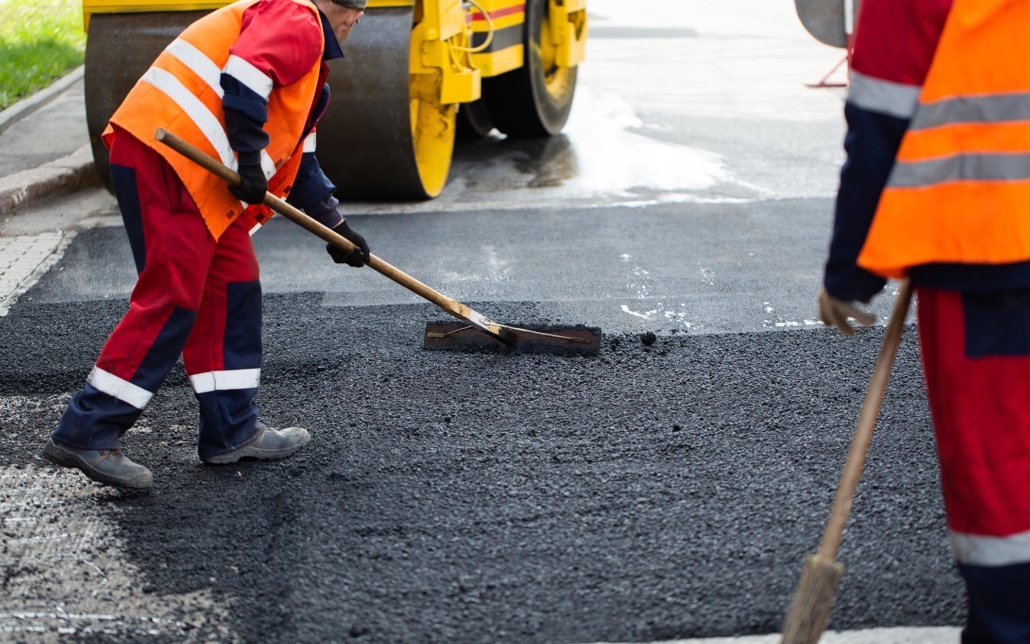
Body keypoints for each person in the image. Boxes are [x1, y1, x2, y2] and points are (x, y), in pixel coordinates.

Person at [42, 0, 372, 490]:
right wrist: (248, 160)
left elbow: (300, 159)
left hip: (198, 175)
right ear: (345, 11)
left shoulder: (309, 63)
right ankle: (87, 430)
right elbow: (243, 75)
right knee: (175, 296)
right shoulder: (299, 17)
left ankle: (231, 430)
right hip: (171, 158)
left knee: (233, 288)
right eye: (354, 9)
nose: (355, 19)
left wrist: (337, 228)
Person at [818, 0, 1030, 640]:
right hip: (990, 252)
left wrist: (850, 277)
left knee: (1000, 468)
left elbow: (882, 123)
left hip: (988, 256)